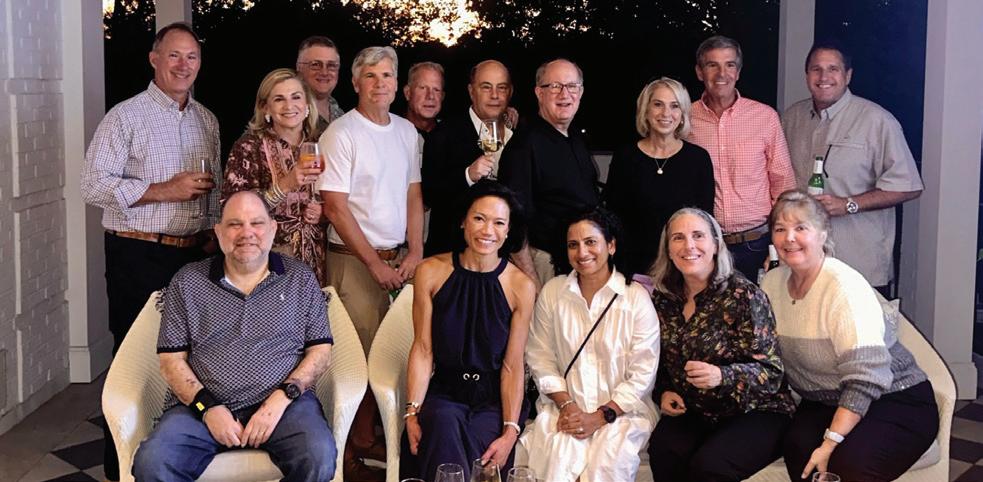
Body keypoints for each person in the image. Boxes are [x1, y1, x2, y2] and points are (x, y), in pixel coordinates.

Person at [80, 22, 220, 481]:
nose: (184, 65)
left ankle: (175, 459)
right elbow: (92, 185)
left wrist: (213, 230)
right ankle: (119, 465)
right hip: (137, 254)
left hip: (193, 255)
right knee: (134, 356)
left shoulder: (206, 119)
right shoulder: (125, 116)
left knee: (190, 359)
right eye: (174, 55)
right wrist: (165, 189)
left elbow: (213, 191)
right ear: (154, 59)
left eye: (192, 57)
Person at [131, 190, 336, 482]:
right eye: (235, 224)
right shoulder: (188, 281)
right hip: (201, 406)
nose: (246, 233)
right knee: (153, 462)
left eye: (257, 223)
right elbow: (171, 361)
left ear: (273, 228)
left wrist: (281, 399)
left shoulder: (300, 279)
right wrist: (207, 408)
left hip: (285, 405)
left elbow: (320, 352)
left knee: (318, 456)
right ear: (218, 232)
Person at [761, 190, 938, 481]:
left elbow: (865, 378)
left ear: (823, 233)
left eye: (801, 228)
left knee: (847, 465)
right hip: (825, 400)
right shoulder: (771, 283)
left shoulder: (843, 287)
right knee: (800, 455)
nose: (789, 238)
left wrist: (831, 441)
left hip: (893, 398)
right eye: (780, 229)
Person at [317, 45, 424, 479]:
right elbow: (334, 207)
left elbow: (413, 194)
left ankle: (372, 436)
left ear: (397, 84)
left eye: (387, 75)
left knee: (394, 354)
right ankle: (350, 448)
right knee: (355, 358)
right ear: (356, 83)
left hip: (399, 260)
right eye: (371, 76)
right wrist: (374, 265)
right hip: (353, 260)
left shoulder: (406, 132)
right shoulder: (341, 134)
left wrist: (415, 250)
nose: (380, 84)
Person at [646, 207, 795, 481]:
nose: (689, 246)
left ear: (716, 245)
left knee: (710, 467)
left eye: (698, 235)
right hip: (696, 408)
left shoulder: (744, 295)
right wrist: (663, 392)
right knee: (664, 451)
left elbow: (772, 373)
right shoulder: (662, 299)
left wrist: (722, 375)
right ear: (668, 250)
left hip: (756, 409)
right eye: (678, 238)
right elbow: (658, 361)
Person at [401, 180, 536, 481]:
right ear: (463, 221)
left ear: (508, 231)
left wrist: (510, 430)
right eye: (479, 218)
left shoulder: (521, 286)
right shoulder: (429, 272)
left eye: (499, 223)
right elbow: (423, 349)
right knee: (443, 423)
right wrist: (411, 413)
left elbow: (513, 366)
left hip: (493, 398)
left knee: (482, 445)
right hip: (445, 391)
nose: (488, 230)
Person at [520, 207, 660, 482]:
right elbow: (539, 356)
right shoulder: (554, 292)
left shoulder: (635, 297)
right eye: (573, 245)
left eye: (591, 242)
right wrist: (567, 404)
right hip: (565, 408)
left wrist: (600, 416)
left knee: (606, 465)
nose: (582, 252)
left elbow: (643, 372)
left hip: (622, 413)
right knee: (558, 463)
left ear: (611, 245)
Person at [782, 42, 923, 296]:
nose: (824, 77)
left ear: (848, 76)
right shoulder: (792, 118)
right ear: (807, 75)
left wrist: (849, 204)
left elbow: (908, 186)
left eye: (833, 69)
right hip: (802, 262)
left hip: (858, 262)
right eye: (816, 69)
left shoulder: (877, 120)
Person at [686, 35, 795, 280]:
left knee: (761, 306)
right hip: (704, 246)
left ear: (738, 72)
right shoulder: (685, 118)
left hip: (757, 245)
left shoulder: (765, 117)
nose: (721, 74)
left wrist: (780, 244)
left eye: (730, 65)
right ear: (700, 72)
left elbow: (783, 185)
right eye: (712, 65)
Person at [499, 58, 599, 288]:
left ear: (581, 92)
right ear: (539, 93)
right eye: (555, 86)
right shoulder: (523, 145)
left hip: (580, 262)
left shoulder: (576, 138)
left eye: (572, 86)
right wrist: (531, 281)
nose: (565, 94)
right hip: (545, 266)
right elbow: (513, 221)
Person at [222, 68, 328, 284]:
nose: (289, 106)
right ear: (265, 107)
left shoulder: (322, 142)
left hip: (319, 258)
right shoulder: (248, 147)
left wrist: (324, 213)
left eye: (296, 97)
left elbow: (342, 198)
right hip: (267, 260)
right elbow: (230, 210)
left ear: (307, 104)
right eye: (279, 99)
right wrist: (284, 185)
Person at [604, 77, 714, 278]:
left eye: (674, 106)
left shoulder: (698, 159)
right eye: (658, 104)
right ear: (645, 110)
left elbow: (705, 222)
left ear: (682, 114)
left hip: (683, 267)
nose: (666, 113)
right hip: (634, 269)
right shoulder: (625, 157)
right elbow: (613, 218)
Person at [423, 59, 515, 257]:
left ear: (510, 92)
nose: (495, 95)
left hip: (503, 256)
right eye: (486, 87)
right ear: (471, 91)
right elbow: (429, 193)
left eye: (501, 88)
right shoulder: (444, 133)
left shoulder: (518, 134)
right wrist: (467, 175)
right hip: (451, 255)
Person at [296, 36, 345, 137]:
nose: (324, 72)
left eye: (331, 65)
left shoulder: (340, 114)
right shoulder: (290, 112)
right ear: (299, 67)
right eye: (315, 64)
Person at [403, 61, 445, 135]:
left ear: (442, 96)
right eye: (423, 88)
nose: (430, 96)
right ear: (408, 93)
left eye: (436, 90)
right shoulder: (392, 132)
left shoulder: (453, 134)